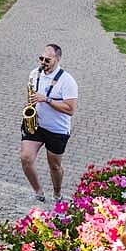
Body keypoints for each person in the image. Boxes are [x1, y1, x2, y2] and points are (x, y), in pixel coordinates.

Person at [20, 43, 78, 203]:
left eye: (48, 60)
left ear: (58, 59)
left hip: (57, 130)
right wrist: (29, 105)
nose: (43, 62)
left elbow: (70, 109)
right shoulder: (34, 74)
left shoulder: (67, 81)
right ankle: (38, 191)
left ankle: (57, 192)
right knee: (25, 158)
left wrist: (47, 99)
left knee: (55, 166)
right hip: (36, 124)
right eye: (41, 58)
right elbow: (31, 94)